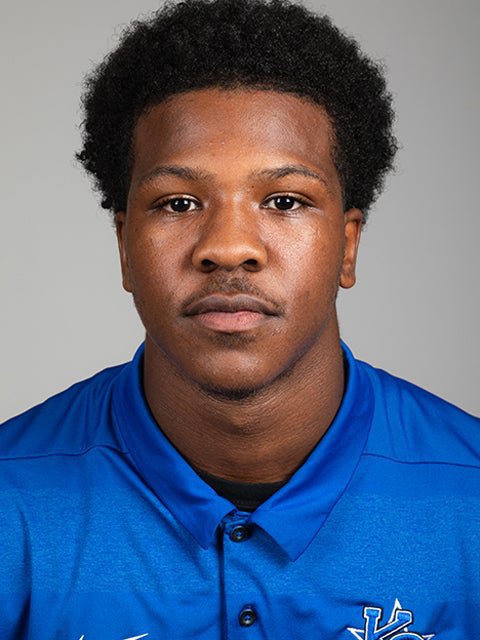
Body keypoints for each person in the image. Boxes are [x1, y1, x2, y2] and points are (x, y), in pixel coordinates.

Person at [0, 0, 478, 638]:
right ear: (124, 248)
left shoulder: (470, 495)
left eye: (284, 200)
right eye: (178, 203)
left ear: (348, 245)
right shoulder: (11, 499)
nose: (228, 247)